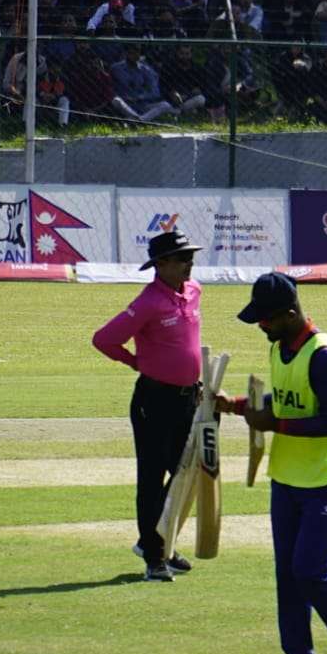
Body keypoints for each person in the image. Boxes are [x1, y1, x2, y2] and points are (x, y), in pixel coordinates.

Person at [215, 272, 327, 654]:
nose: (260, 326)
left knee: (310, 569)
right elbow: (283, 402)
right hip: (286, 477)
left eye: (265, 319)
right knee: (288, 575)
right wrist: (236, 405)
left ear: (289, 314)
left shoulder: (324, 356)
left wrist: (274, 424)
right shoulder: (279, 347)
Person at [90, 230, 205, 582]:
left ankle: (155, 542)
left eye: (190, 257)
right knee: (153, 478)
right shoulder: (148, 302)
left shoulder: (194, 290)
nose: (189, 263)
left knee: (187, 474)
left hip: (189, 397)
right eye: (182, 258)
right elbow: (104, 339)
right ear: (162, 263)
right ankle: (154, 556)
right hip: (154, 400)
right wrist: (135, 362)